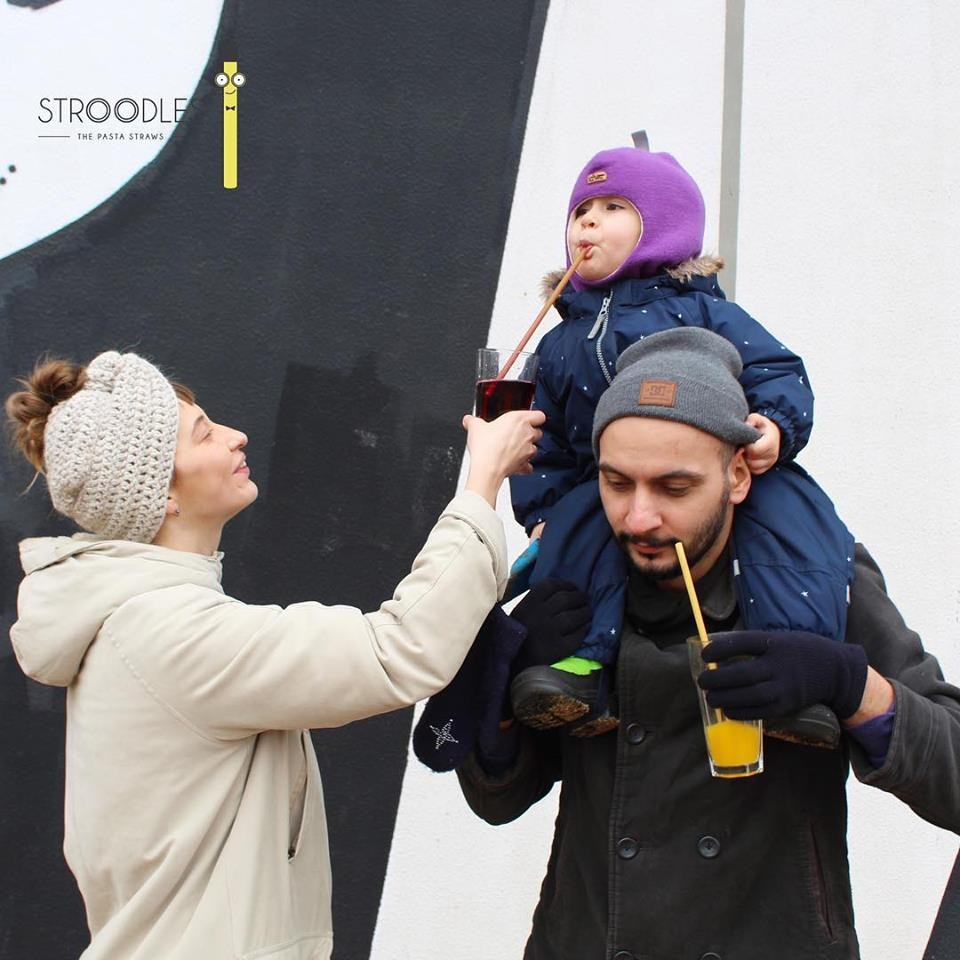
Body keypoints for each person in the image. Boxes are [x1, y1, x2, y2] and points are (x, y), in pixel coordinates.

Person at [4, 349, 544, 960]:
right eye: (204, 433)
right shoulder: (170, 634)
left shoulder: (139, 624)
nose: (236, 437)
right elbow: (397, 651)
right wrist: (482, 484)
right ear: (164, 496)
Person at [456, 327, 960, 959]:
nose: (638, 518)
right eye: (617, 483)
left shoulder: (820, 585)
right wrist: (508, 688)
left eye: (674, 488)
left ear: (739, 474)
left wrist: (851, 685)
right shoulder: (578, 578)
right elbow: (494, 801)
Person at [508, 145, 853, 739]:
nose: (587, 222)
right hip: (605, 479)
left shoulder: (701, 311)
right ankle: (582, 673)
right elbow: (544, 437)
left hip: (724, 460)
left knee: (795, 528)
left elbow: (776, 368)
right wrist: (544, 510)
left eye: (613, 206)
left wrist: (773, 423)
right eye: (580, 210)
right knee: (571, 547)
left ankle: (791, 665)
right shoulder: (560, 342)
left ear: (661, 229)